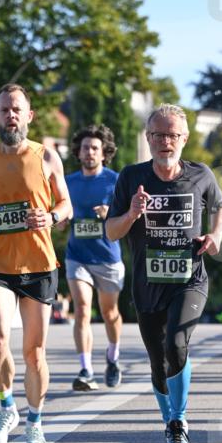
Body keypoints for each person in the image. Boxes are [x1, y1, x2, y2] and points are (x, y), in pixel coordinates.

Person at [106, 103, 222, 443]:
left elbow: (220, 206)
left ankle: (178, 424)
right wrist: (131, 214)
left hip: (189, 278)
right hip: (148, 284)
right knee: (158, 362)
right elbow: (111, 231)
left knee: (177, 341)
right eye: (158, 135)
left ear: (185, 139)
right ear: (148, 138)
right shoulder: (130, 177)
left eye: (172, 134)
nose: (165, 141)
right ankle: (170, 422)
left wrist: (216, 235)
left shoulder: (201, 175)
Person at [0, 83, 72, 443]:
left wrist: (51, 216)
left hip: (39, 264)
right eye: (4, 110)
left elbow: (66, 206)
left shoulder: (46, 158)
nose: (10, 115)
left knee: (35, 352)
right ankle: (6, 407)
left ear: (29, 116)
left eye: (17, 109)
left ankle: (36, 424)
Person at [63, 125, 124, 391]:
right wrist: (60, 220)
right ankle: (85, 369)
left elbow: (126, 217)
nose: (89, 152)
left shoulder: (115, 181)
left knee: (110, 314)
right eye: (85, 147)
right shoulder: (68, 182)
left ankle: (112, 357)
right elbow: (60, 213)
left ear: (104, 153)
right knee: (82, 310)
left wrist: (109, 213)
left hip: (108, 257)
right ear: (78, 152)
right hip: (77, 256)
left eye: (95, 148)